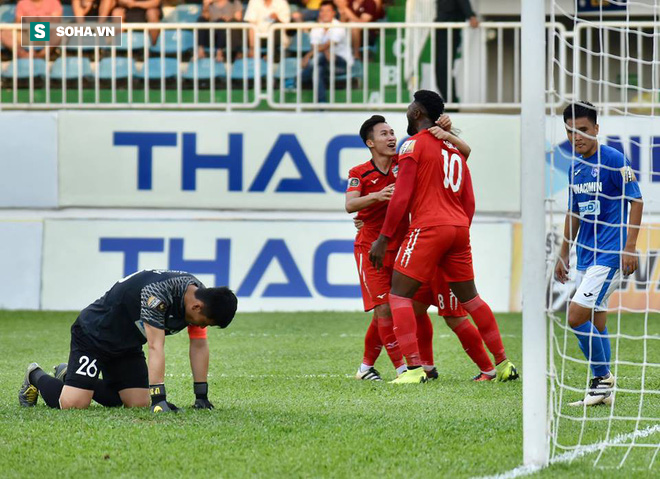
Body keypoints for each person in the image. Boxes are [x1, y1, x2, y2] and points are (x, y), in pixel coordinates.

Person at [369, 90, 517, 384]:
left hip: (429, 228)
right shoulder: (455, 152)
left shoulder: (412, 145)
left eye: (411, 105)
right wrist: (458, 230)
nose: (408, 109)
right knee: (471, 299)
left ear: (417, 113)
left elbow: (401, 195)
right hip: (459, 230)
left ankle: (413, 370)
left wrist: (384, 238)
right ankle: (503, 364)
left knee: (399, 294)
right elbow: (469, 200)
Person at [348, 114, 498, 382]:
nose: (392, 137)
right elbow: (350, 205)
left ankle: (401, 366)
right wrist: (375, 198)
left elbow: (452, 155)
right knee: (385, 308)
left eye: (392, 132)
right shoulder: (359, 173)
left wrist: (446, 131)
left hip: (409, 241)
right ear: (370, 143)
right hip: (373, 245)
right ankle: (402, 369)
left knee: (412, 307)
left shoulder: (405, 158)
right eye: (384, 134)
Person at [18, 269, 238, 412]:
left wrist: (201, 396)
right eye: (204, 322)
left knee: (137, 403)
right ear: (196, 307)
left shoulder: (198, 294)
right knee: (74, 404)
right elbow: (155, 346)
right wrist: (159, 399)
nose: (201, 327)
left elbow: (199, 345)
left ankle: (70, 375)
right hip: (94, 335)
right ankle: (35, 376)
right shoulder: (158, 294)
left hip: (127, 344)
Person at [555, 101, 643, 407]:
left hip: (611, 253)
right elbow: (574, 211)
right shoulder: (575, 167)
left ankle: (602, 379)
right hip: (587, 255)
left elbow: (637, 201)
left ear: (596, 130)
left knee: (576, 316)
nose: (576, 136)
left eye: (582, 130)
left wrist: (629, 247)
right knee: (596, 319)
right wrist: (564, 253)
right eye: (570, 130)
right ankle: (602, 390)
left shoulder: (614, 159)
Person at [302, 1, 353, 104]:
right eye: (322, 11)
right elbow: (315, 46)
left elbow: (326, 45)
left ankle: (300, 78)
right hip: (324, 63)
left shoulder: (339, 26)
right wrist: (324, 50)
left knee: (318, 57)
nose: (324, 13)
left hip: (341, 63)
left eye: (328, 11)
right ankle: (321, 102)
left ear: (333, 13)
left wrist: (308, 55)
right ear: (319, 13)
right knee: (317, 69)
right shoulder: (317, 27)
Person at [434, 0, 479, 103]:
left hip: (449, 31)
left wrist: (471, 16)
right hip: (442, 30)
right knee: (441, 70)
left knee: (443, 69)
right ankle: (451, 102)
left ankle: (452, 102)